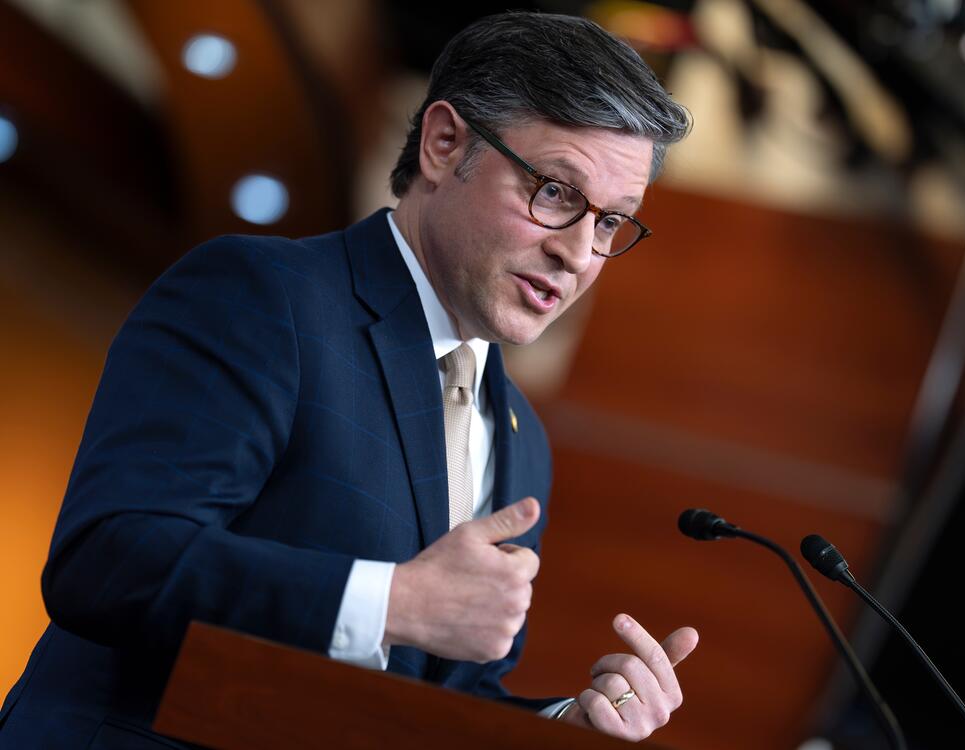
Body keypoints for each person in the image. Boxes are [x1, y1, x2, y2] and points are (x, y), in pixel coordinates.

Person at [0, 10, 697, 747]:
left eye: (612, 223)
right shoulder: (264, 295)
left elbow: (431, 698)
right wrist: (389, 601)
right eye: (556, 191)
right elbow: (109, 558)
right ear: (443, 144)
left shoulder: (524, 443)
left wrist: (566, 725)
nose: (580, 254)